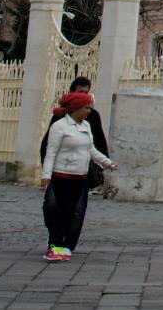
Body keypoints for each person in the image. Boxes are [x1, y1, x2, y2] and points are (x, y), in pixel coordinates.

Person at [40, 93, 115, 261]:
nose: (89, 111)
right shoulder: (59, 127)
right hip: (61, 176)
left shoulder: (86, 126)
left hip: (79, 177)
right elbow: (50, 152)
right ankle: (54, 246)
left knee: (72, 213)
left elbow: (91, 149)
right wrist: (46, 174)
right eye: (87, 108)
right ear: (76, 108)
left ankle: (65, 246)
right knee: (57, 212)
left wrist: (106, 162)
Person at [37, 75, 111, 164]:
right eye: (80, 92)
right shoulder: (60, 115)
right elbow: (48, 145)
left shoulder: (93, 115)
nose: (83, 96)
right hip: (63, 168)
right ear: (72, 93)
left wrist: (103, 165)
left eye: (86, 93)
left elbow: (99, 141)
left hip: (86, 169)